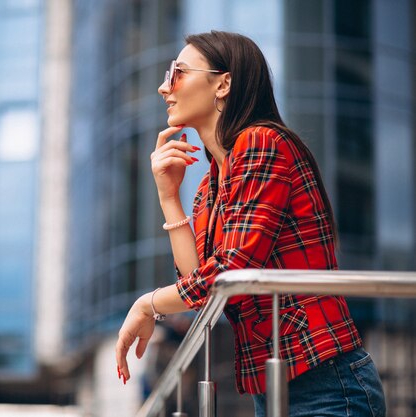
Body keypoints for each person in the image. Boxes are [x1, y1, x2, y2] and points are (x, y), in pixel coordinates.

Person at [114, 31, 386, 417]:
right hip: (274, 389)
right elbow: (204, 293)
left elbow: (230, 271)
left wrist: (148, 304)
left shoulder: (262, 142)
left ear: (223, 83)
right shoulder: (210, 186)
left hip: (325, 384)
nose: (163, 87)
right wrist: (168, 197)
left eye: (177, 72)